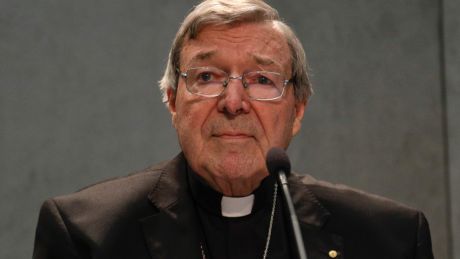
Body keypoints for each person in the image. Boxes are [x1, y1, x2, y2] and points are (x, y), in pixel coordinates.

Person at [33, 0, 434, 258]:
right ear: (173, 102)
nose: (233, 102)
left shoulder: (389, 240)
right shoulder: (87, 234)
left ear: (297, 110)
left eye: (262, 80)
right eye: (207, 76)